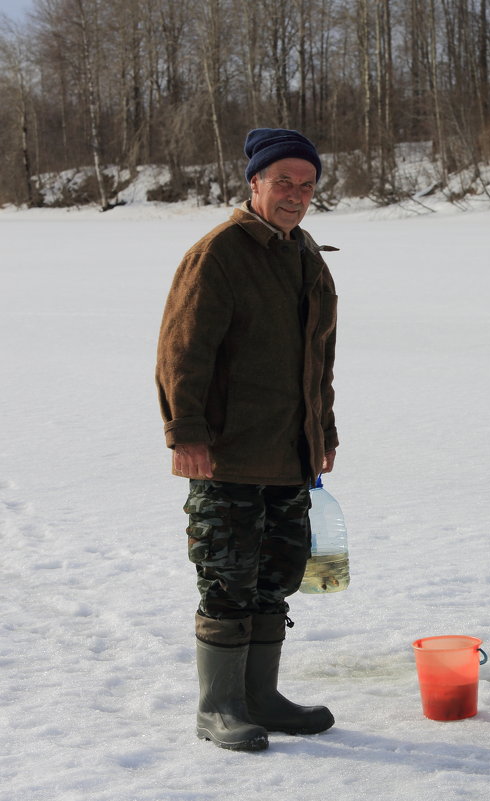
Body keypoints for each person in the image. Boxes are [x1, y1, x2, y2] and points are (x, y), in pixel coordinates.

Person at [155, 128, 340, 750]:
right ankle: (219, 707)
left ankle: (261, 697)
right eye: (283, 181)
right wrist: (185, 433)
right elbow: (183, 352)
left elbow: (320, 359)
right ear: (254, 183)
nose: (295, 194)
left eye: (306, 184)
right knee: (227, 575)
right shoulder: (220, 253)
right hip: (227, 453)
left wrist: (324, 432)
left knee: (277, 575)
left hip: (289, 450)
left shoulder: (306, 254)